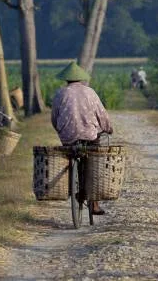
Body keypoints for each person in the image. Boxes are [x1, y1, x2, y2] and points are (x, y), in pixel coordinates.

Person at [51, 61, 113, 215]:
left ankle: (71, 186)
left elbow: (54, 118)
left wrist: (62, 131)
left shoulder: (60, 93)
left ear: (66, 79)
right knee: (94, 162)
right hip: (89, 135)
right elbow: (102, 115)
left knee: (70, 155)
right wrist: (108, 128)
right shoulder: (90, 92)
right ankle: (94, 204)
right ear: (81, 78)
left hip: (67, 137)